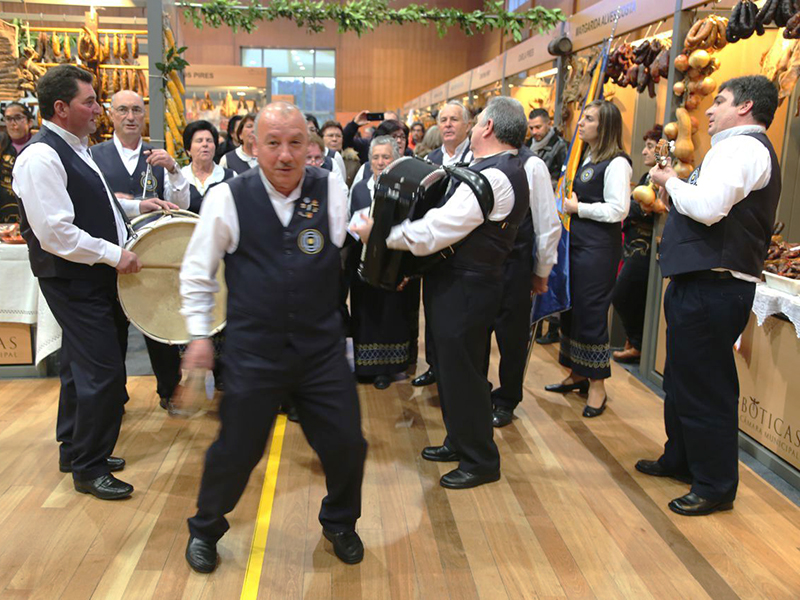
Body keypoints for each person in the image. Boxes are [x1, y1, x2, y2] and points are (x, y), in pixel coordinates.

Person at [179, 102, 367, 572]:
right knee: (237, 449)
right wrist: (200, 336)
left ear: (311, 145)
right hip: (255, 351)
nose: (285, 155)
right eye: (273, 143)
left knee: (347, 443)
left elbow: (344, 244)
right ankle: (205, 525)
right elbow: (198, 273)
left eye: (295, 143)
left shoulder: (331, 188)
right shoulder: (228, 197)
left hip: (321, 349)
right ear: (253, 145)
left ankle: (341, 522)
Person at [352, 96, 530, 490]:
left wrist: (381, 235)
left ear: (487, 127)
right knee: (452, 370)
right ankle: (460, 440)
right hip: (461, 284)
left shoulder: (496, 175)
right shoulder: (497, 167)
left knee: (463, 373)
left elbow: (437, 230)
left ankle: (481, 459)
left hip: (468, 288)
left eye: (477, 118)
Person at [12, 65, 170, 500]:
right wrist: (115, 254)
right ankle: (89, 466)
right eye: (90, 102)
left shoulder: (75, 148)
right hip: (74, 280)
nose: (98, 109)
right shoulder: (41, 157)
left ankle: (73, 448)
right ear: (61, 108)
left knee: (80, 367)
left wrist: (137, 215)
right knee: (103, 370)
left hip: (88, 277)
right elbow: (56, 234)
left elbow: (96, 205)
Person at [638, 75, 781, 516]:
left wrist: (668, 179)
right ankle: (682, 459)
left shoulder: (744, 149)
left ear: (746, 107)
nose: (709, 109)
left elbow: (708, 207)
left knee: (706, 389)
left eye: (720, 100)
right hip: (701, 284)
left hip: (716, 287)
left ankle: (715, 484)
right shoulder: (730, 149)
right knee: (682, 382)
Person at [90, 90, 189, 410]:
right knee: (113, 330)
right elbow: (97, 206)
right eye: (123, 110)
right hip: (111, 255)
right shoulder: (94, 155)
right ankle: (115, 397)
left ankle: (169, 391)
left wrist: (174, 170)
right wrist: (136, 204)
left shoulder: (157, 156)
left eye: (136, 110)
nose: (130, 116)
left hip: (153, 256)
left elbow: (181, 205)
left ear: (144, 115)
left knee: (159, 324)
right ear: (111, 115)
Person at [545, 100, 632, 418]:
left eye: (589, 119)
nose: (580, 123)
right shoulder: (586, 157)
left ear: (605, 126)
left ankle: (598, 387)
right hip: (576, 245)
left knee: (592, 312)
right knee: (572, 309)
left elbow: (618, 209)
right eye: (582, 117)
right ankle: (577, 373)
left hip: (598, 250)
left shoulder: (617, 163)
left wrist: (577, 208)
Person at [490, 143, 562, 427]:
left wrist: (541, 271)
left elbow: (547, 223)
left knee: (511, 338)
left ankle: (507, 398)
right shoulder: (479, 158)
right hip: (481, 266)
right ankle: (479, 392)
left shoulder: (532, 165)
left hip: (515, 264)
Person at [412, 100, 473, 389]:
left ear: (468, 125)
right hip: (433, 251)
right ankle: (435, 366)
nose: (448, 124)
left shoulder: (477, 158)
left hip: (465, 252)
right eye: (443, 120)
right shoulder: (429, 159)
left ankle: (457, 375)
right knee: (432, 310)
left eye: (454, 119)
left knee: (459, 322)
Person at [348, 136, 417, 389]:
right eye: (375, 157)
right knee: (365, 313)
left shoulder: (407, 189)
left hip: (393, 261)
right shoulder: (359, 189)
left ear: (395, 159)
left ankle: (386, 369)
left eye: (385, 157)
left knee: (390, 314)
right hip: (363, 263)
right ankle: (365, 367)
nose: (380, 161)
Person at [611, 125, 665, 364]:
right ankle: (634, 341)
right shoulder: (648, 176)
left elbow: (646, 210)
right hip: (633, 244)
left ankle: (639, 343)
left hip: (645, 249)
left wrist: (626, 203)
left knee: (622, 294)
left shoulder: (663, 178)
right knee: (629, 295)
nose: (644, 152)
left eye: (651, 147)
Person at [182, 120, 236, 213]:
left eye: (209, 140)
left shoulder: (231, 177)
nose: (205, 144)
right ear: (188, 150)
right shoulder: (180, 178)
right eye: (199, 141)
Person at [1, 102, 33, 223]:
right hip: (4, 212)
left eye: (18, 118)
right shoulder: (2, 145)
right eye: (8, 119)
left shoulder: (38, 146)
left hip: (30, 211)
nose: (13, 123)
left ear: (29, 122)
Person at [528, 108, 568, 188]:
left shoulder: (560, 146)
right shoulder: (527, 144)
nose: (534, 132)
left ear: (549, 124)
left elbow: (565, 177)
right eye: (531, 128)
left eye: (538, 127)